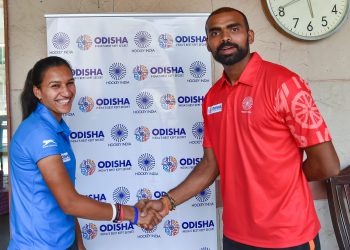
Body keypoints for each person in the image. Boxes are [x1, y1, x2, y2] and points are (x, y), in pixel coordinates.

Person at [140, 7, 340, 250]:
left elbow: (327, 164)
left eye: (233, 29)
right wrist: (167, 202)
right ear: (207, 44)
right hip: (236, 237)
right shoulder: (212, 98)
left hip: (289, 235)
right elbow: (210, 165)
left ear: (250, 36)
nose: (225, 37)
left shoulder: (285, 85)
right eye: (216, 32)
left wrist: (284, 182)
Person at [8, 56, 162, 250]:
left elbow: (67, 197)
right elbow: (70, 202)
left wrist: (79, 243)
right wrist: (134, 214)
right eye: (55, 86)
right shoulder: (39, 133)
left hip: (65, 242)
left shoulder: (56, 128)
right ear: (38, 92)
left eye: (70, 83)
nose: (66, 92)